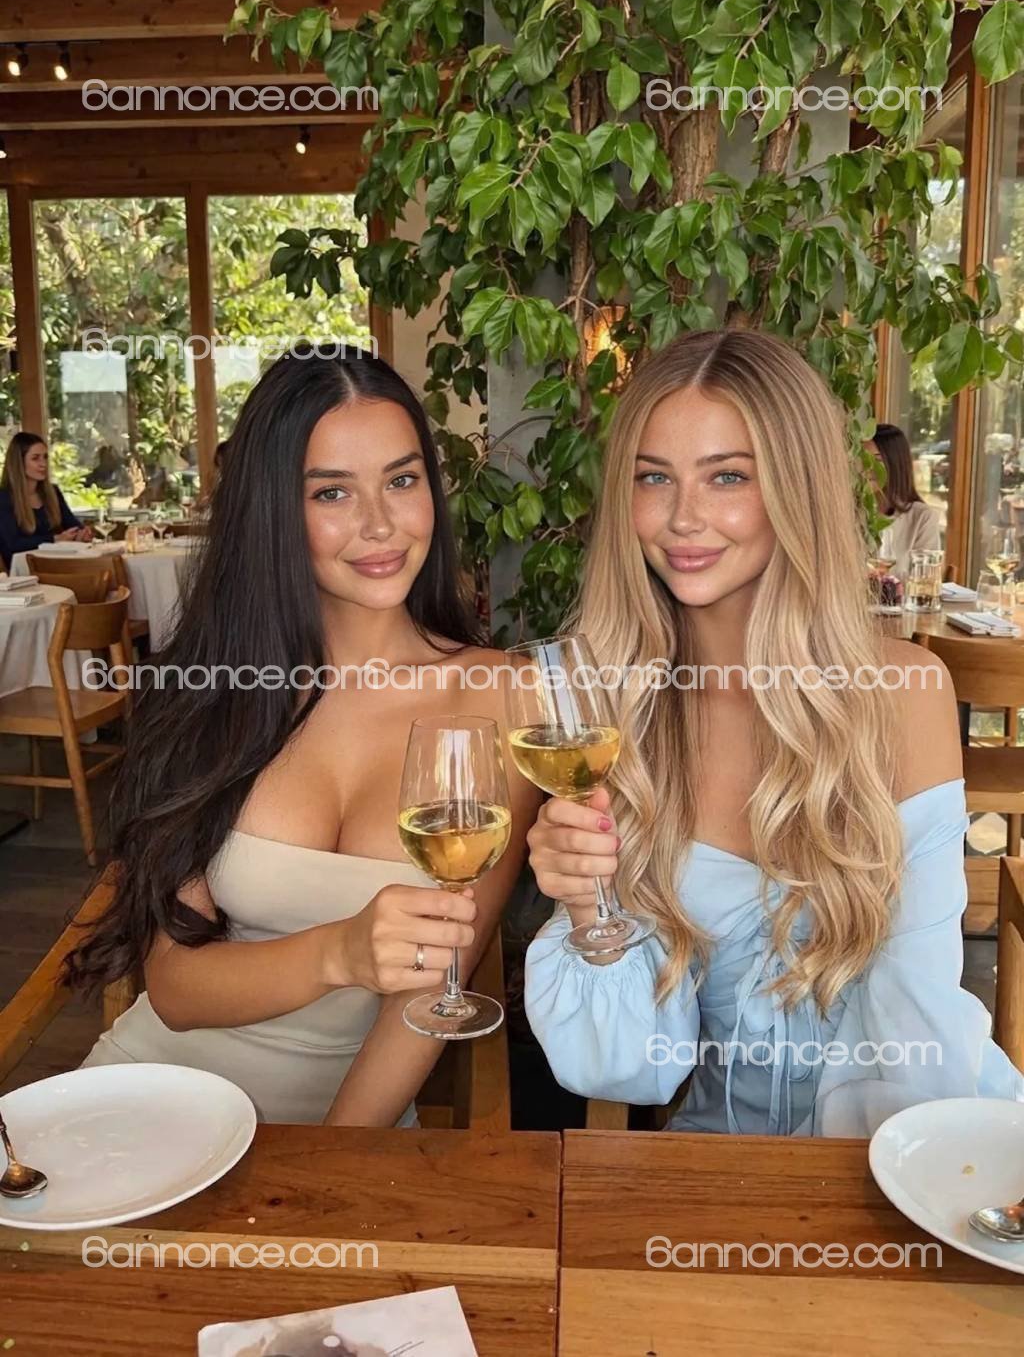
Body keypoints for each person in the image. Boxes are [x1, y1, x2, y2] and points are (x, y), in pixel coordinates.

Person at [523, 329, 1024, 1137]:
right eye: (654, 477)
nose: (683, 518)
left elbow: (915, 1017)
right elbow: (631, 1068)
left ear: (797, 488)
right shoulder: (610, 714)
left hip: (920, 1143)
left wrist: (862, 1200)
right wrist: (587, 909)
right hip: (721, 1166)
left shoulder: (901, 693)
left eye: (727, 476)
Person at [64, 344, 542, 1125]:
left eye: (402, 480)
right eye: (332, 492)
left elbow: (434, 989)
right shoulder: (219, 687)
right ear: (275, 511)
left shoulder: (506, 696)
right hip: (155, 1091)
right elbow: (176, 989)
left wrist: (334, 1169)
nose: (379, 524)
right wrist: (339, 952)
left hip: (350, 1124)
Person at [0, 431, 92, 570]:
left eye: (45, 457)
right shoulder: (4, 498)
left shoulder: (52, 492)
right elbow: (13, 544)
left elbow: (72, 525)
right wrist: (54, 539)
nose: (43, 464)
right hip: (25, 570)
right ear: (19, 462)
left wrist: (82, 533)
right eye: (35, 458)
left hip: (57, 563)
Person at [867, 423, 942, 574]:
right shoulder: (850, 513)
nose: (867, 467)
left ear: (895, 464)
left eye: (877, 460)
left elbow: (925, 579)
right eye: (863, 458)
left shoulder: (922, 517)